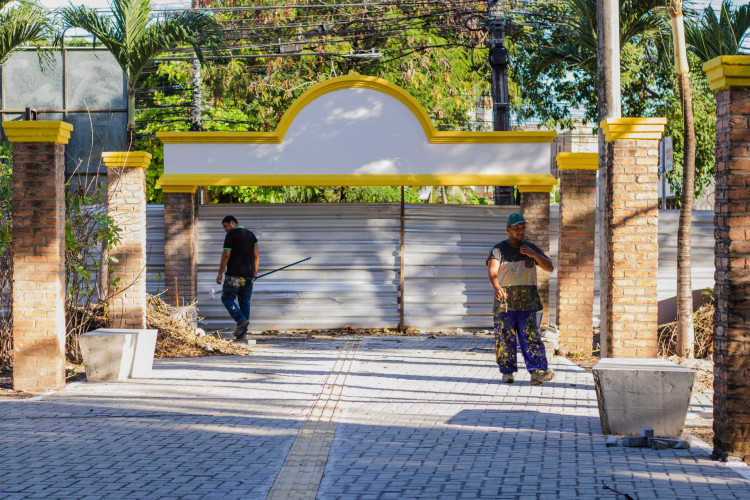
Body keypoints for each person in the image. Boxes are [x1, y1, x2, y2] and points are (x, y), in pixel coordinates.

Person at [486, 212, 556, 385]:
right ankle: (507, 372)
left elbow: (549, 267)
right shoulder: (498, 250)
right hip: (505, 302)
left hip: (528, 301)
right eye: (516, 228)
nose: (520, 231)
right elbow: (492, 271)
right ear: (508, 229)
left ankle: (537, 371)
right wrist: (496, 287)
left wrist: (533, 254)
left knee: (531, 336)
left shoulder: (530, 248)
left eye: (522, 228)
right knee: (505, 338)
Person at [216, 215, 259, 341]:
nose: (225, 229)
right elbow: (256, 255)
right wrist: (255, 272)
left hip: (234, 275)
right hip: (249, 276)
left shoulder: (231, 235)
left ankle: (240, 320)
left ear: (232, 222)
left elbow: (226, 255)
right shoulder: (251, 235)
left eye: (225, 226)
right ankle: (242, 335)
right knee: (245, 303)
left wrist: (220, 273)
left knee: (226, 298)